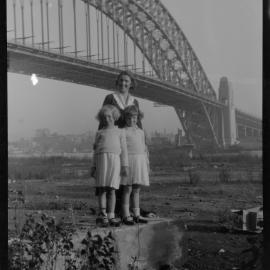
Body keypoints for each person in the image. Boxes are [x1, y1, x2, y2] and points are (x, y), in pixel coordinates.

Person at [91, 105, 128, 227]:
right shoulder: (99, 133)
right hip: (102, 160)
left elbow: (124, 150)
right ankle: (102, 214)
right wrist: (93, 166)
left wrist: (125, 165)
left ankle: (111, 215)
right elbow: (95, 151)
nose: (107, 119)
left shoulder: (120, 132)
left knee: (112, 189)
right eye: (104, 117)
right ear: (101, 119)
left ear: (115, 117)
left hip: (115, 161)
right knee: (102, 189)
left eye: (109, 116)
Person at [121, 105, 150, 225]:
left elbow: (144, 149)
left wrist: (147, 164)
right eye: (129, 118)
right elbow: (123, 150)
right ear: (125, 118)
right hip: (129, 161)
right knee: (127, 189)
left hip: (140, 161)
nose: (132, 120)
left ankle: (137, 214)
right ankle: (126, 214)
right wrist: (125, 165)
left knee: (137, 189)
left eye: (134, 117)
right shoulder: (123, 131)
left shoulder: (141, 132)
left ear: (138, 118)